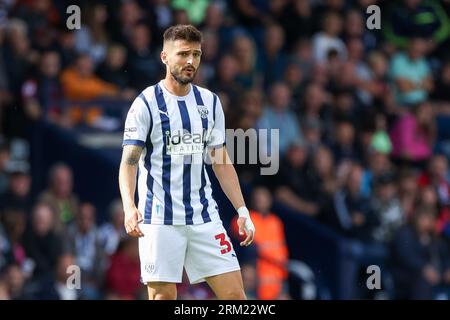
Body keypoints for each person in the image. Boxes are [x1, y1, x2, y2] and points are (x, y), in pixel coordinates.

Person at [118, 24, 255, 300]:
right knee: (163, 298)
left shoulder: (211, 102)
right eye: (183, 54)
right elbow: (129, 162)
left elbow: (220, 160)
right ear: (164, 57)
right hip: (159, 220)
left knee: (236, 298)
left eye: (196, 54)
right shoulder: (145, 104)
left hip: (204, 216)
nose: (191, 61)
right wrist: (129, 207)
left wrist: (241, 209)